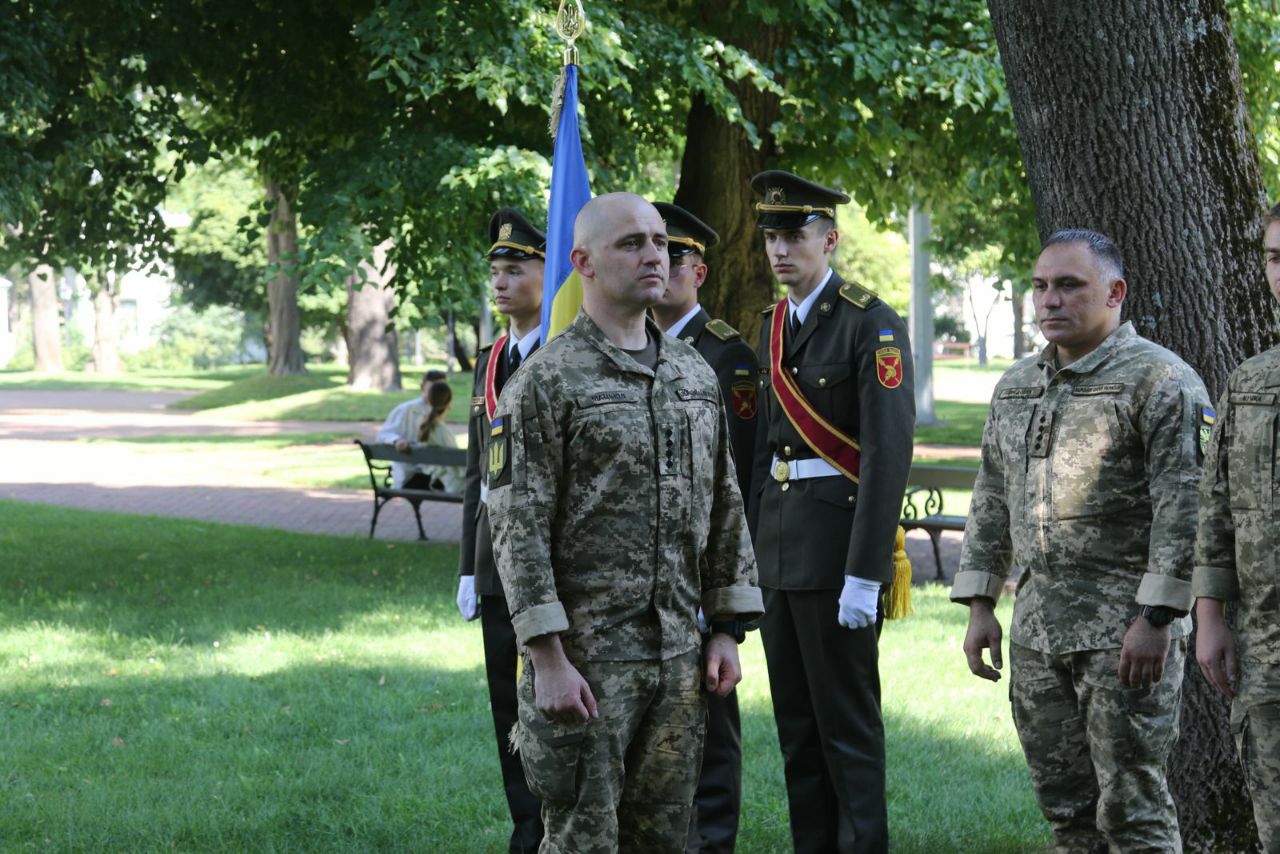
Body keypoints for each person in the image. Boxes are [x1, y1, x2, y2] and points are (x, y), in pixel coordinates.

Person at [486, 192, 764, 852]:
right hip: (586, 665)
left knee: (665, 837)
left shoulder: (694, 374)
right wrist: (547, 657)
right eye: (631, 243)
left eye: (660, 241)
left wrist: (726, 629)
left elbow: (723, 501)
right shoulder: (546, 382)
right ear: (582, 261)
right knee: (582, 837)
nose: (653, 255)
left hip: (678, 661)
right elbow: (516, 525)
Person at [951, 229, 1211, 851]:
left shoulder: (1159, 380)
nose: (1050, 300)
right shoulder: (1016, 385)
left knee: (1134, 813)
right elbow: (991, 495)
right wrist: (981, 604)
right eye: (1040, 286)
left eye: (1069, 285)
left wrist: (1156, 617)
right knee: (1067, 813)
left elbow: (1188, 506)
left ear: (1115, 292)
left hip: (1124, 640)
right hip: (1038, 634)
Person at [748, 170, 914, 854]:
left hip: (840, 554)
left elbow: (886, 456)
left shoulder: (869, 322)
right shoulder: (770, 324)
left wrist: (866, 573)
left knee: (847, 731)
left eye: (795, 235)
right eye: (771, 237)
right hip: (781, 555)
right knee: (796, 730)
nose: (781, 249)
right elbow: (763, 455)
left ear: (830, 238)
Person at [649, 200, 756, 854]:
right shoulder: (628, 346)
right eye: (653, 252)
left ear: (699, 272)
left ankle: (712, 843)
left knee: (710, 724)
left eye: (675, 257)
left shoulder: (725, 357)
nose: (661, 267)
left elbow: (734, 486)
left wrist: (726, 606)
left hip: (698, 574)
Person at [455, 208, 546, 853]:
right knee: (506, 711)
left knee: (555, 706)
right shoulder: (491, 361)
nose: (501, 282)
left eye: (515, 269)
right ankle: (525, 832)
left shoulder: (568, 351)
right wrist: (467, 565)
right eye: (495, 271)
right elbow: (473, 478)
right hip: (495, 565)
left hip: (551, 563)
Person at [1193, 202, 1280, 852]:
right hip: (1266, 658)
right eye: (1277, 259)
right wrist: (1210, 617)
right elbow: (1216, 507)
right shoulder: (1252, 384)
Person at [375, 376, 463, 491]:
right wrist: (396, 440)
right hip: (422, 479)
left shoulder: (429, 425)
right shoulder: (408, 411)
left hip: (428, 476)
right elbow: (457, 466)